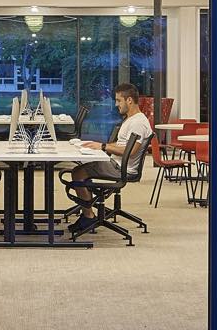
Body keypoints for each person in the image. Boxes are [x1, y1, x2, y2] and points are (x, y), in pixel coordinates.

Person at [66, 84, 154, 235]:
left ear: (130, 100)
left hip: (121, 168)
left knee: (78, 173)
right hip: (116, 163)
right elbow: (121, 145)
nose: (116, 104)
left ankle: (89, 216)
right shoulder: (132, 119)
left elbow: (131, 152)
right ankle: (88, 209)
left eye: (119, 101)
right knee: (82, 169)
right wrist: (97, 146)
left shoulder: (138, 123)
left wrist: (104, 147)